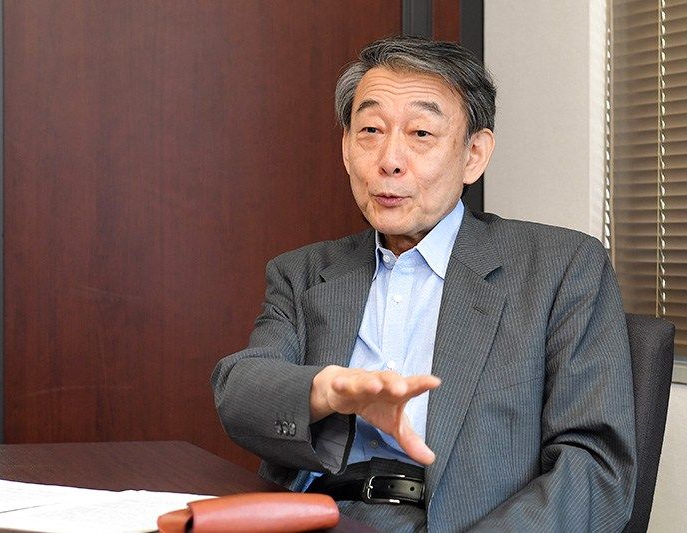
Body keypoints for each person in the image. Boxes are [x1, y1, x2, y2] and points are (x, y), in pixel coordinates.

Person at [211, 36, 636, 532]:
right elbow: (239, 396)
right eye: (371, 130)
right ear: (346, 149)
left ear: (474, 154)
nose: (389, 159)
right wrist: (327, 391)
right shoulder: (303, 272)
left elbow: (594, 467)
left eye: (420, 133)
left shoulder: (559, 267)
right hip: (313, 515)